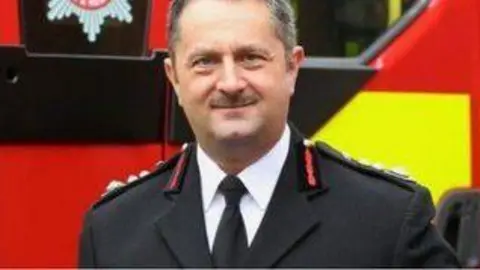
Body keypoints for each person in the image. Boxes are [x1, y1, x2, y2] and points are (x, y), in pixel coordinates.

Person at [78, 0, 460, 267]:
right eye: (205, 62)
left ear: (292, 68)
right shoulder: (114, 230)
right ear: (173, 78)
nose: (229, 82)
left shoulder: (386, 219)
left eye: (250, 58)